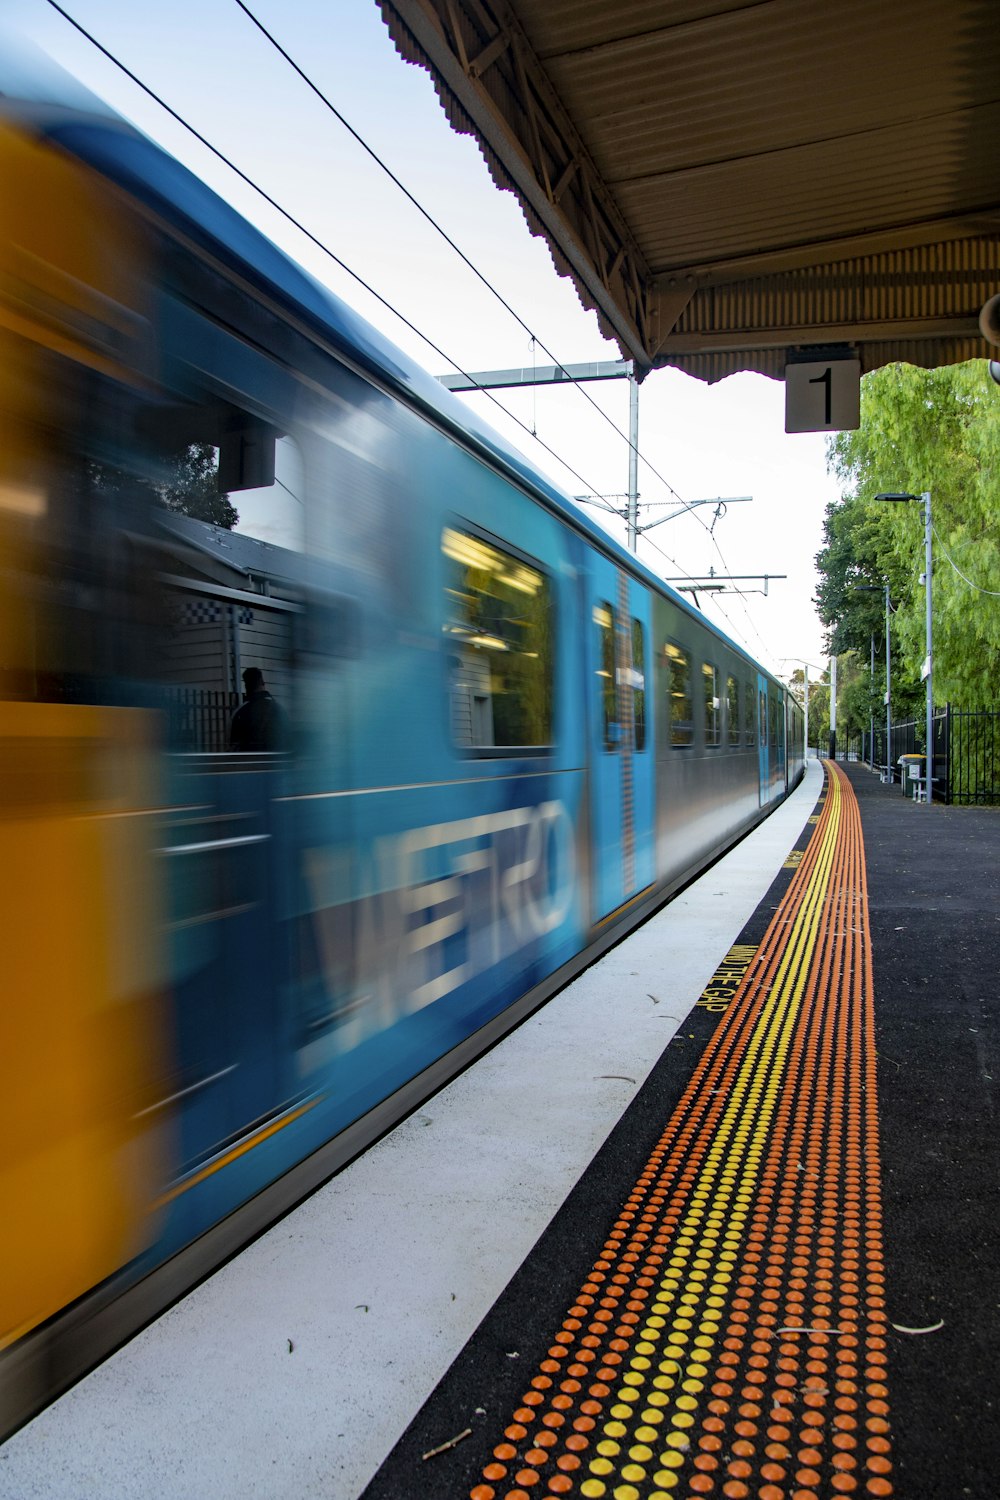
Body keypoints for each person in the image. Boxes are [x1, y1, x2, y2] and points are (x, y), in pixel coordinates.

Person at [230, 666, 286, 751]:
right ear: (262, 682)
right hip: (274, 760)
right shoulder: (279, 710)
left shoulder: (240, 712)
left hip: (248, 761)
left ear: (246, 685)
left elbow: (233, 744)